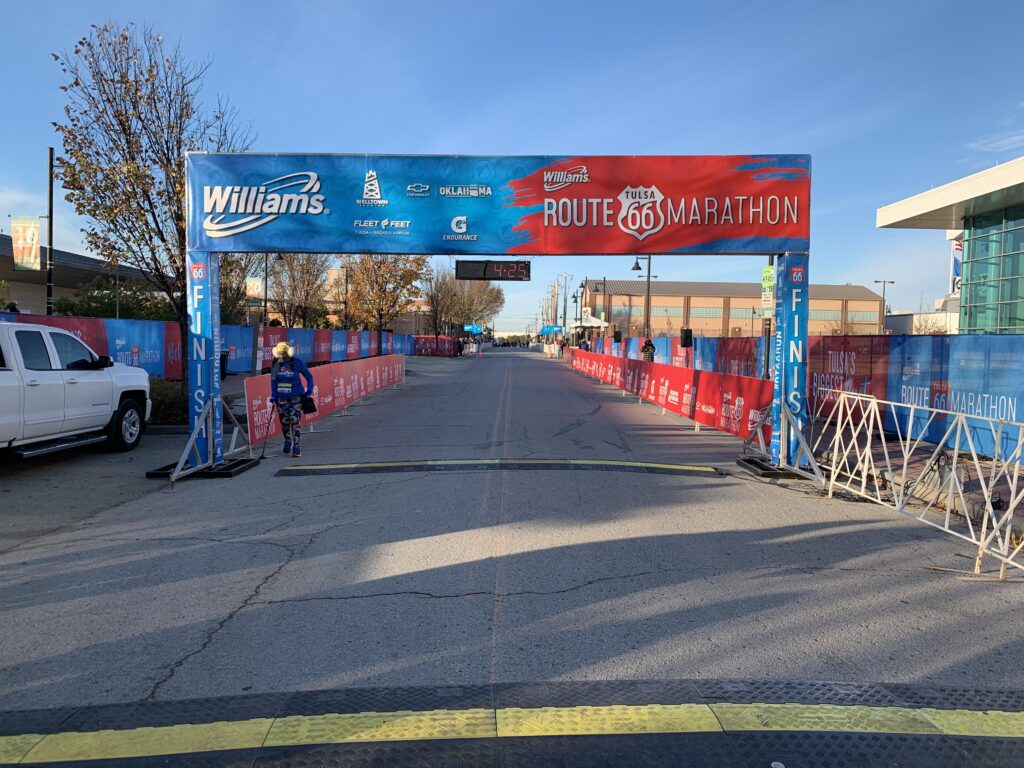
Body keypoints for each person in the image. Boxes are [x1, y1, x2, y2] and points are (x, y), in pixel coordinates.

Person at [269, 341, 313, 458]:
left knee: (295, 421)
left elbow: (309, 376)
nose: (282, 355)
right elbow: (273, 381)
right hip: (281, 398)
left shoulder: (297, 362)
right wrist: (273, 395)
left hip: (296, 397)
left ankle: (296, 447)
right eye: (280, 353)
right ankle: (287, 440)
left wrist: (309, 389)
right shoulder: (275, 364)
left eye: (284, 353)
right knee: (284, 422)